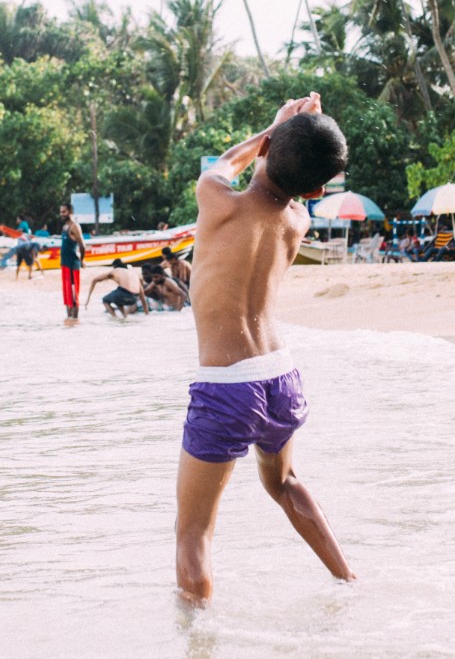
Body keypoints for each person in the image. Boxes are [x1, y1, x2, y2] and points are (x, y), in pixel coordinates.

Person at [176, 92, 355, 605]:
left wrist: (272, 131)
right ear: (318, 189)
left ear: (268, 148)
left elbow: (224, 165)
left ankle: (198, 647)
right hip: (281, 378)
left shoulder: (217, 201)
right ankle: (347, 580)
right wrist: (282, 141)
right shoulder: (296, 223)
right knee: (284, 484)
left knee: (193, 534)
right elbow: (280, 190)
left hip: (227, 387)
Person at [82, 259, 147, 319]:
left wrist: (88, 299)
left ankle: (114, 318)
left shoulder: (116, 270)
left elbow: (95, 280)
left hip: (122, 294)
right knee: (117, 299)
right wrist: (147, 315)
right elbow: (143, 298)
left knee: (105, 299)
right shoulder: (134, 274)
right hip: (133, 299)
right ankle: (125, 317)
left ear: (114, 266)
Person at [57, 203, 85, 325]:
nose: (61, 214)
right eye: (60, 212)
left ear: (70, 212)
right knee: (67, 295)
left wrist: (82, 260)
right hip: (64, 264)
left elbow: (82, 245)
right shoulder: (64, 227)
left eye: (64, 212)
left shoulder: (74, 227)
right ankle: (69, 321)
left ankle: (75, 320)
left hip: (73, 265)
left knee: (74, 296)